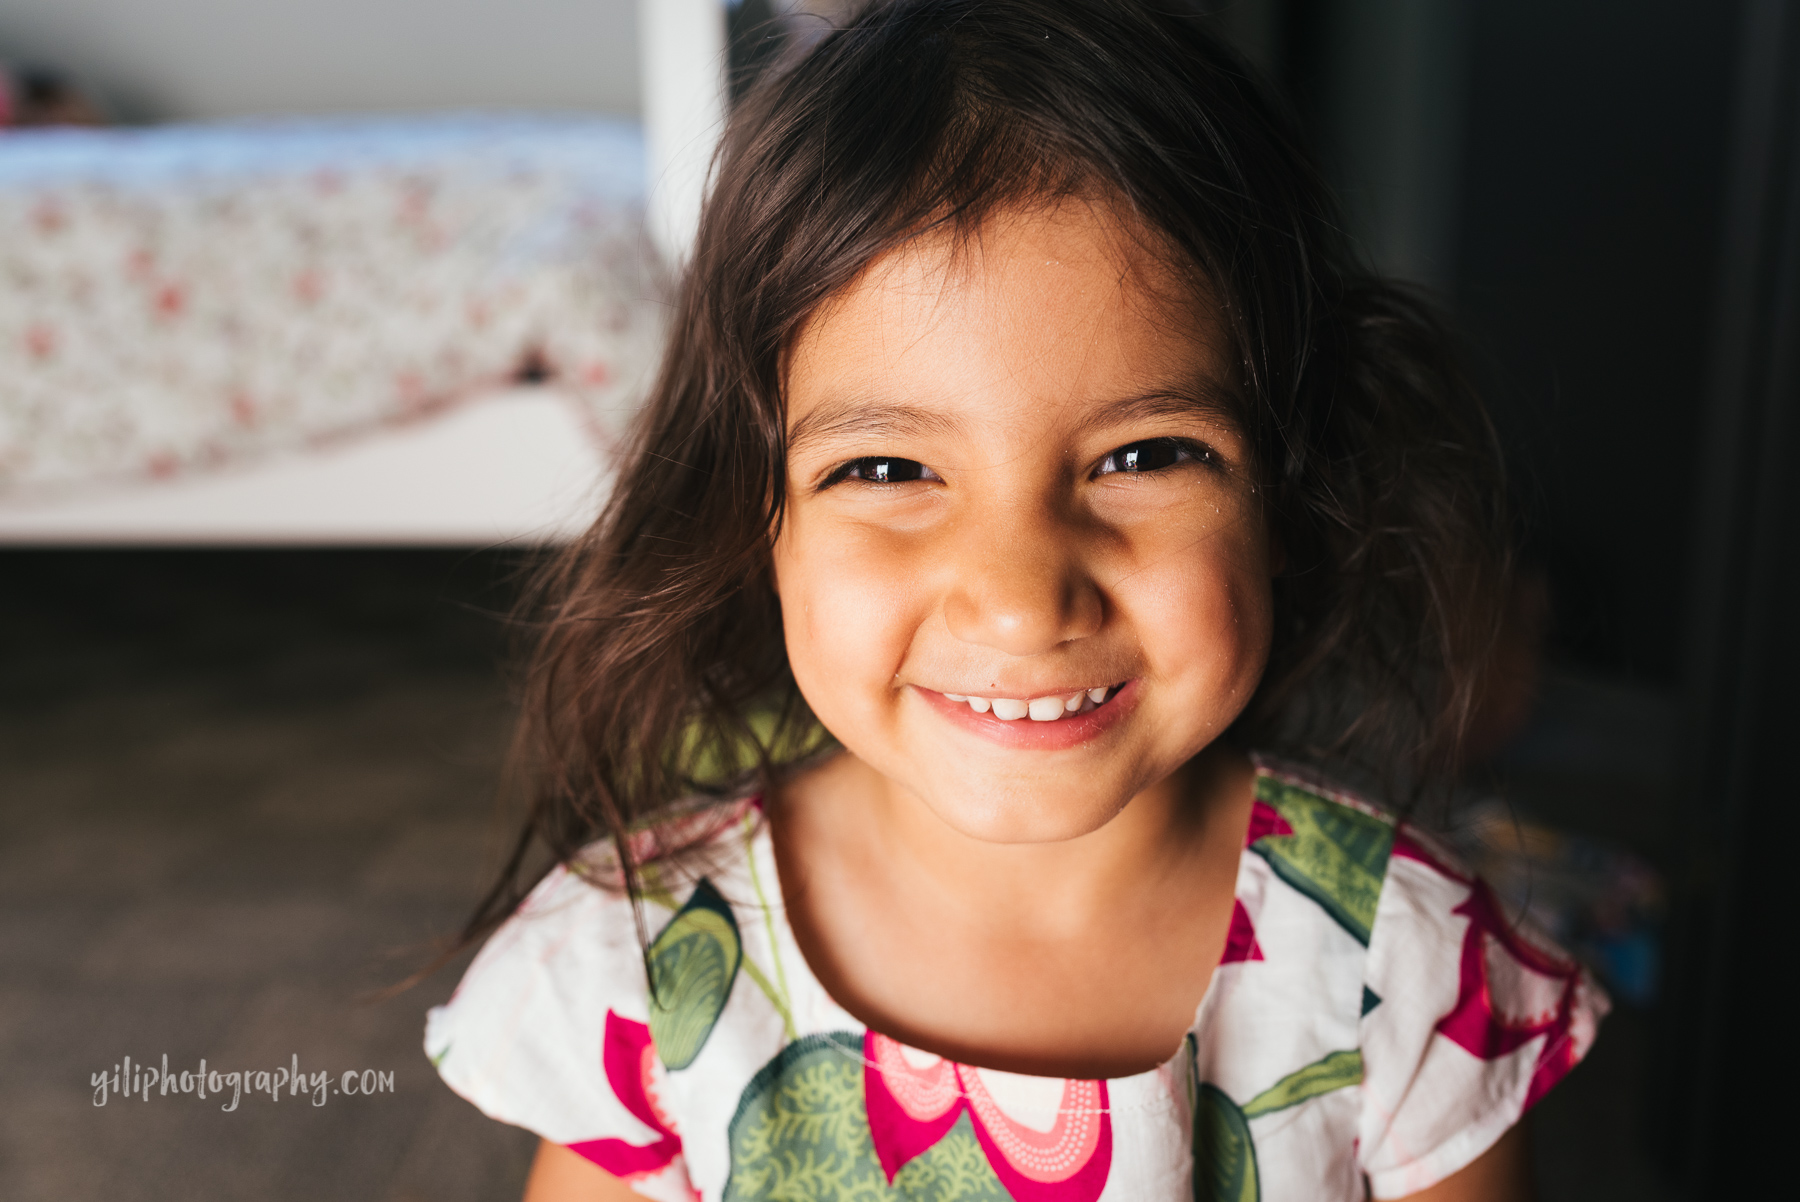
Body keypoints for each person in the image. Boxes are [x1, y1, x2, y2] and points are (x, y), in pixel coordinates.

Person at [424, 2, 1606, 1198]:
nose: (1020, 601)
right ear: (753, 520)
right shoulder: (632, 967)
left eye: (1145, 456)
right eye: (887, 470)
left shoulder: (1409, 975)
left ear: (1291, 493)